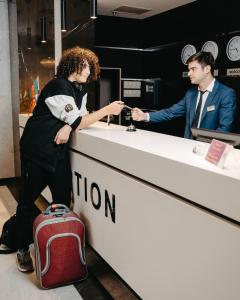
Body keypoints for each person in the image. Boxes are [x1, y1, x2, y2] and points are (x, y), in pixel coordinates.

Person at [15, 47, 124, 272]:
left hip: (58, 153)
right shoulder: (58, 86)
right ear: (74, 65)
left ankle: (60, 250)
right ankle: (21, 248)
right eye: (86, 66)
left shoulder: (79, 89)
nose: (89, 70)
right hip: (38, 151)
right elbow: (79, 121)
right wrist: (106, 110)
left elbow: (77, 118)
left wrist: (67, 126)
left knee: (63, 201)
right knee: (27, 201)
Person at [132, 51, 237, 139]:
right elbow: (171, 113)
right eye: (189, 69)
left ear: (207, 69)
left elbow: (224, 129)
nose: (189, 73)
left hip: (209, 152)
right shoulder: (190, 93)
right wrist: (145, 116)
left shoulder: (226, 93)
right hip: (188, 148)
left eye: (193, 69)